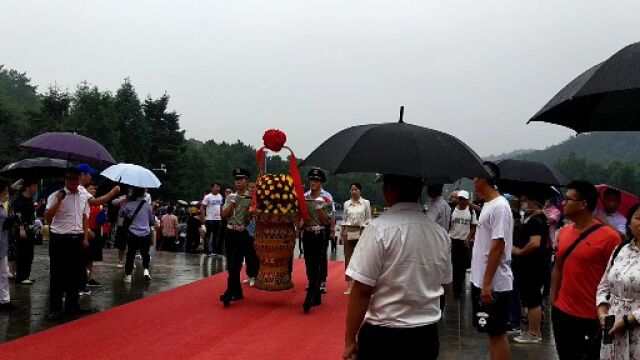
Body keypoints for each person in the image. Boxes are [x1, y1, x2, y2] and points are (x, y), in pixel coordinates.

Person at [343, 174, 452, 360]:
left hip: (385, 334)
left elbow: (361, 289)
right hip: (426, 335)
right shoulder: (440, 234)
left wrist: (349, 339)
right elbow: (447, 287)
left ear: (389, 191)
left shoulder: (378, 229)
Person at [551, 180, 621, 360]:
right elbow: (558, 267)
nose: (563, 203)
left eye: (568, 199)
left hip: (592, 318)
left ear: (583, 204)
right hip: (562, 313)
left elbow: (615, 281)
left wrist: (607, 317)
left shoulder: (609, 237)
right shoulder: (565, 232)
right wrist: (554, 301)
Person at [470, 164, 513, 360]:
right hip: (483, 280)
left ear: (482, 180)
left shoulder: (500, 207)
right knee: (491, 331)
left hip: (494, 283)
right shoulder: (488, 204)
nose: (473, 182)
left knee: (497, 333)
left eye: (475, 178)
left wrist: (487, 283)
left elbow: (498, 246)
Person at [44, 168, 91, 321]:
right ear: (65, 180)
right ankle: (55, 309)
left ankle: (73, 305)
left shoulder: (82, 195)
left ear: (79, 180)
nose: (72, 182)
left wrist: (84, 237)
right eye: (69, 179)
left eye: (75, 179)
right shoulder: (56, 195)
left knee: (76, 274)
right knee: (57, 275)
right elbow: (47, 217)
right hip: (60, 238)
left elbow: (84, 217)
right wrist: (59, 201)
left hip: (76, 238)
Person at [596, 202, 640, 359]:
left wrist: (628, 320)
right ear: (629, 223)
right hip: (612, 326)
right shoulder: (620, 249)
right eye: (638, 217)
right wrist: (602, 314)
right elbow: (604, 285)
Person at [511, 191, 550, 344]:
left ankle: (533, 333)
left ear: (534, 202)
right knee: (534, 299)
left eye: (525, 200)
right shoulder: (540, 219)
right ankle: (534, 331)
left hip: (531, 266)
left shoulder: (535, 221)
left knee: (532, 300)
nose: (523, 203)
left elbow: (535, 243)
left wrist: (519, 251)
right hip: (536, 264)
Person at [301, 168, 334, 312]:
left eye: (316, 181)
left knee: (318, 262)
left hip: (320, 233)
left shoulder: (326, 198)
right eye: (311, 180)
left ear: (321, 183)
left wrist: (319, 207)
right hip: (307, 233)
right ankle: (315, 292)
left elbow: (326, 220)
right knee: (309, 262)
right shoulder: (305, 197)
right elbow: (301, 216)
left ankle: (311, 295)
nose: (313, 183)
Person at [219, 168, 253, 306]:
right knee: (230, 263)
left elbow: (251, 217)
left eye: (241, 179)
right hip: (230, 232)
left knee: (235, 264)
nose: (238, 182)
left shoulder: (250, 197)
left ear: (246, 181)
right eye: (236, 179)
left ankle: (229, 292)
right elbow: (224, 215)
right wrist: (232, 203)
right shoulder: (230, 197)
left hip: (242, 233)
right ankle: (237, 291)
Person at [341, 182, 371, 295]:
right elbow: (344, 219)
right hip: (349, 231)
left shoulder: (366, 203)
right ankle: (349, 285)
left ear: (360, 191)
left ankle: (360, 284)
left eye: (356, 189)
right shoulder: (346, 204)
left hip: (361, 231)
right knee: (348, 259)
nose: (354, 192)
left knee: (361, 259)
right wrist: (341, 234)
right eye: (352, 190)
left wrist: (367, 231)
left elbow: (368, 219)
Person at [121, 187, 155, 283]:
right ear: (143, 194)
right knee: (145, 253)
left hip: (133, 233)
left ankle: (128, 276)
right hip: (145, 233)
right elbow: (151, 220)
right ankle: (146, 271)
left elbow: (121, 214)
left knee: (130, 254)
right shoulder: (148, 206)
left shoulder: (128, 204)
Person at [448, 190, 477, 299]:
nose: (461, 201)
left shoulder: (471, 211)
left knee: (463, 265)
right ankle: (456, 289)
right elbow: (448, 225)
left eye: (464, 199)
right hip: (453, 240)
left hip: (464, 241)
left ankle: (459, 286)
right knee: (455, 265)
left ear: (467, 200)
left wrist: (469, 238)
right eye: (460, 198)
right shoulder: (452, 211)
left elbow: (474, 225)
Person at [11, 178, 38, 285]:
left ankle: (26, 275)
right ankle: (20, 276)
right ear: (27, 187)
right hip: (22, 228)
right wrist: (21, 229)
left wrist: (38, 206)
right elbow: (18, 215)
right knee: (22, 253)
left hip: (30, 228)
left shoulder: (30, 199)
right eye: (34, 186)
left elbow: (30, 213)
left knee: (29, 253)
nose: (36, 189)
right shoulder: (19, 199)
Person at [84, 183, 104, 290]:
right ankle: (82, 278)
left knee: (91, 258)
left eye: (94, 188)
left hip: (95, 231)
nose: (93, 190)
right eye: (90, 188)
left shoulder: (99, 203)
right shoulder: (83, 202)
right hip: (85, 231)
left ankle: (89, 278)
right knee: (83, 257)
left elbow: (101, 218)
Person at [0, 180, 15, 311]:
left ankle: (5, 300)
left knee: (4, 274)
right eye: (5, 189)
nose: (6, 192)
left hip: (3, 243)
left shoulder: (4, 205)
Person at [242, 181, 259, 287]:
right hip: (246, 229)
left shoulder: (259, 200)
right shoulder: (246, 199)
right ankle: (249, 275)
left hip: (256, 231)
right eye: (250, 187)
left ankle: (254, 276)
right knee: (247, 254)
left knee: (254, 254)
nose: (252, 189)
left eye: (254, 187)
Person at [201, 182, 223, 256]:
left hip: (218, 219)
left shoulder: (220, 196)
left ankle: (214, 251)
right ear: (212, 188)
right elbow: (202, 207)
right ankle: (207, 252)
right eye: (216, 187)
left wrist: (221, 215)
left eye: (219, 187)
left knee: (216, 236)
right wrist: (203, 217)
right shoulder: (207, 197)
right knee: (208, 235)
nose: (218, 188)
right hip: (210, 218)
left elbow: (220, 207)